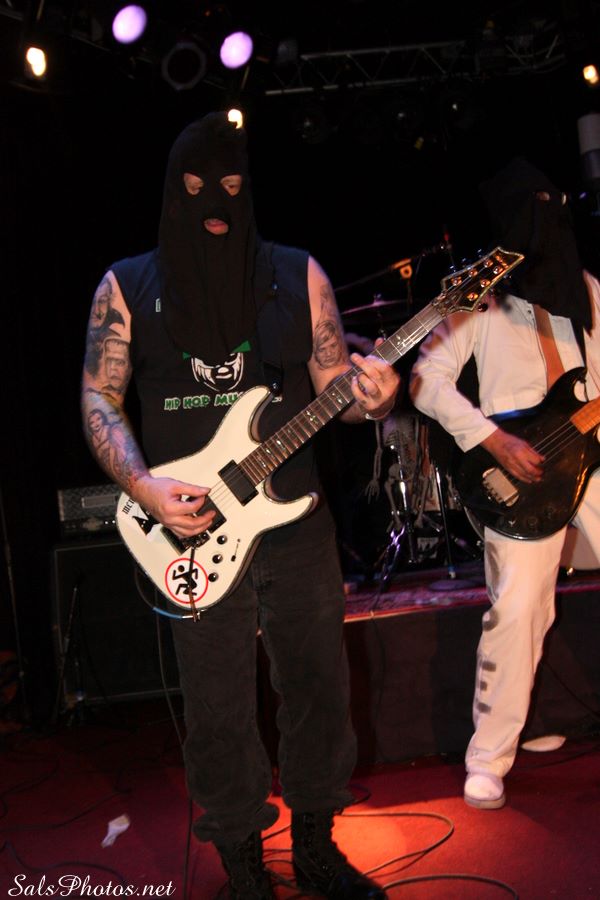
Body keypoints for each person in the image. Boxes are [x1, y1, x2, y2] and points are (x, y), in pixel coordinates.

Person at [81, 110, 400, 897]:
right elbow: (98, 395)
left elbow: (335, 385)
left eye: (229, 187)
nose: (214, 207)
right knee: (217, 706)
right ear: (172, 194)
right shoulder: (127, 286)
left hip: (295, 520)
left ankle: (317, 847)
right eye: (196, 190)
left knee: (319, 686)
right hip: (188, 528)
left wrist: (374, 398)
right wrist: (143, 487)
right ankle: (243, 864)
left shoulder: (297, 275)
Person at [409, 157, 600, 810]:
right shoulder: (478, 296)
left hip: (591, 461)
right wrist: (491, 438)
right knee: (519, 608)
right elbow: (424, 381)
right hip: (516, 471)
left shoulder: (587, 290)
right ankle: (488, 757)